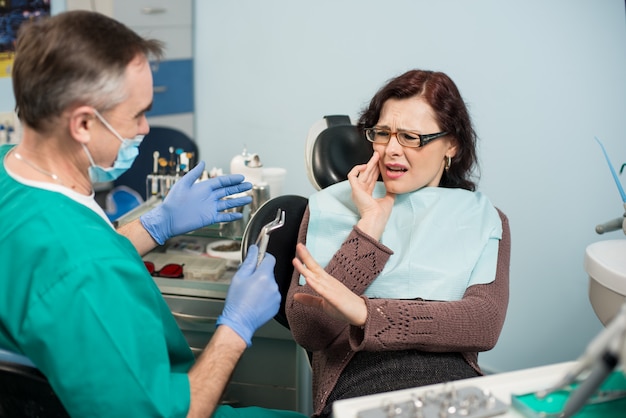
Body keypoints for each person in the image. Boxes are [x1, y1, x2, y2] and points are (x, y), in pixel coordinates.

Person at [0, 11, 306, 418]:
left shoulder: (12, 169)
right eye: (137, 113)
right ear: (84, 124)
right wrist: (236, 326)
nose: (146, 128)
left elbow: (60, 258)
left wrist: (155, 223)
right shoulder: (88, 273)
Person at [286, 69, 511, 417]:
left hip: (456, 389)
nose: (392, 150)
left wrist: (367, 314)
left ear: (451, 144)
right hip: (362, 385)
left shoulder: (482, 218)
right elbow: (309, 327)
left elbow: (483, 322)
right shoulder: (328, 208)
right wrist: (369, 228)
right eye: (383, 133)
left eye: (410, 137)